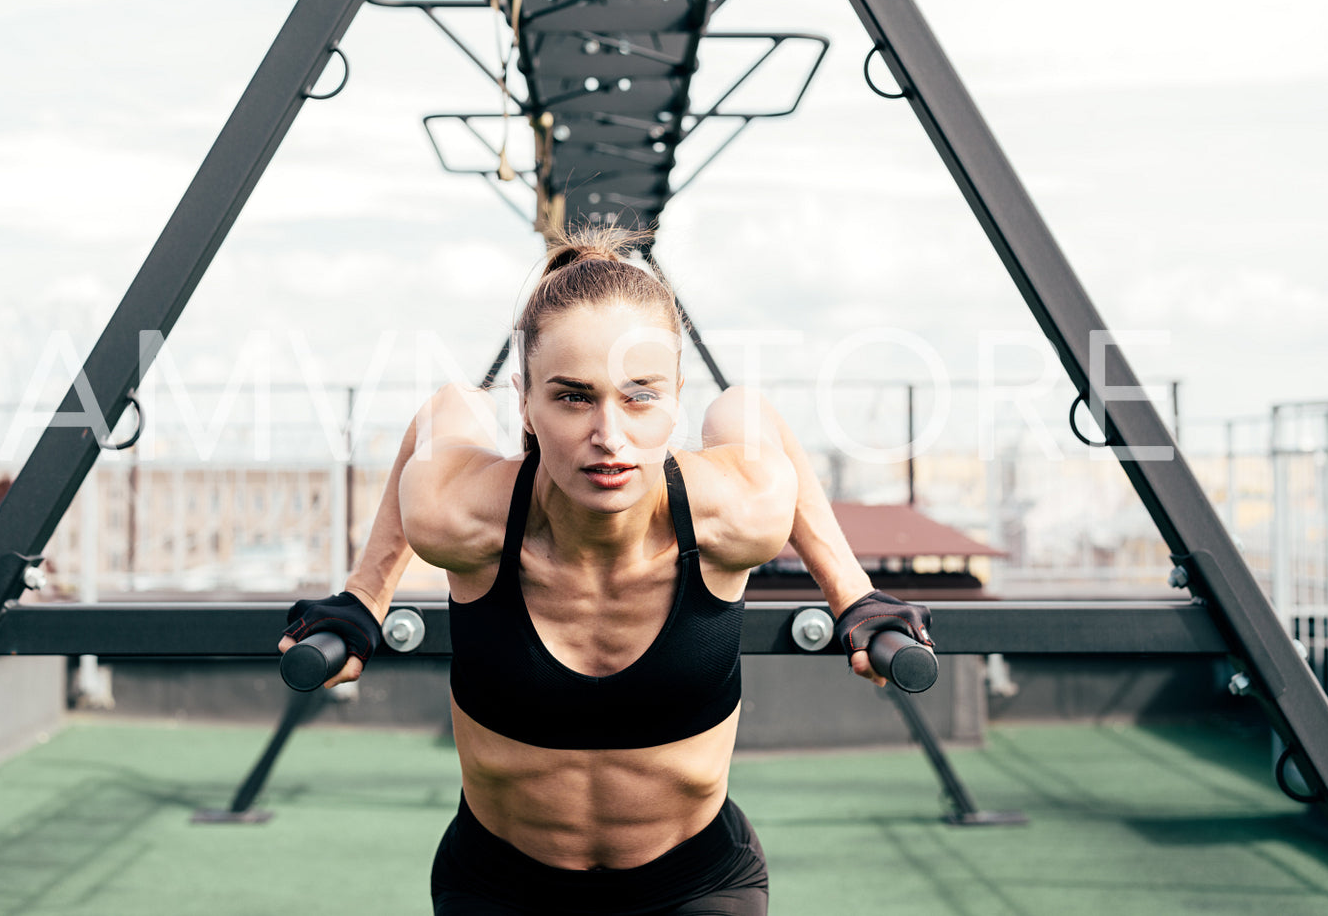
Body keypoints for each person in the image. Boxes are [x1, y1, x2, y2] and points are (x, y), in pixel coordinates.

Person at [280, 226, 932, 915]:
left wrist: (853, 596)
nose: (609, 436)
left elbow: (748, 411)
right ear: (524, 400)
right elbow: (447, 406)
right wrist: (362, 598)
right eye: (571, 396)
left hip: (695, 882)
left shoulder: (733, 513)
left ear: (676, 398)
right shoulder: (463, 517)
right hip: (499, 881)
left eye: (639, 396)